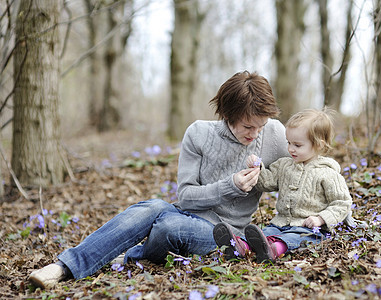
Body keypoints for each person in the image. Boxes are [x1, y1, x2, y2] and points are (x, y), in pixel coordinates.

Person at [29, 70, 290, 289]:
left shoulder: (275, 134)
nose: (255, 134)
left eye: (261, 125)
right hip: (186, 213)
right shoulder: (199, 133)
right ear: (228, 115)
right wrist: (230, 186)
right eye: (248, 127)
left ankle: (127, 253)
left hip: (223, 233)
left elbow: (302, 168)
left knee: (167, 227)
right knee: (154, 208)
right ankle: (63, 266)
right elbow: (186, 197)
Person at [213, 108, 353, 263]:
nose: (290, 149)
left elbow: (342, 203)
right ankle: (242, 247)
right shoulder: (284, 165)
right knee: (266, 232)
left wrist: (321, 219)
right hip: (280, 223)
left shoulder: (328, 173)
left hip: (309, 228)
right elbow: (267, 182)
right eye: (289, 143)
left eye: (297, 145)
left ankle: (274, 249)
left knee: (298, 238)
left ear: (318, 145)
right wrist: (257, 169)